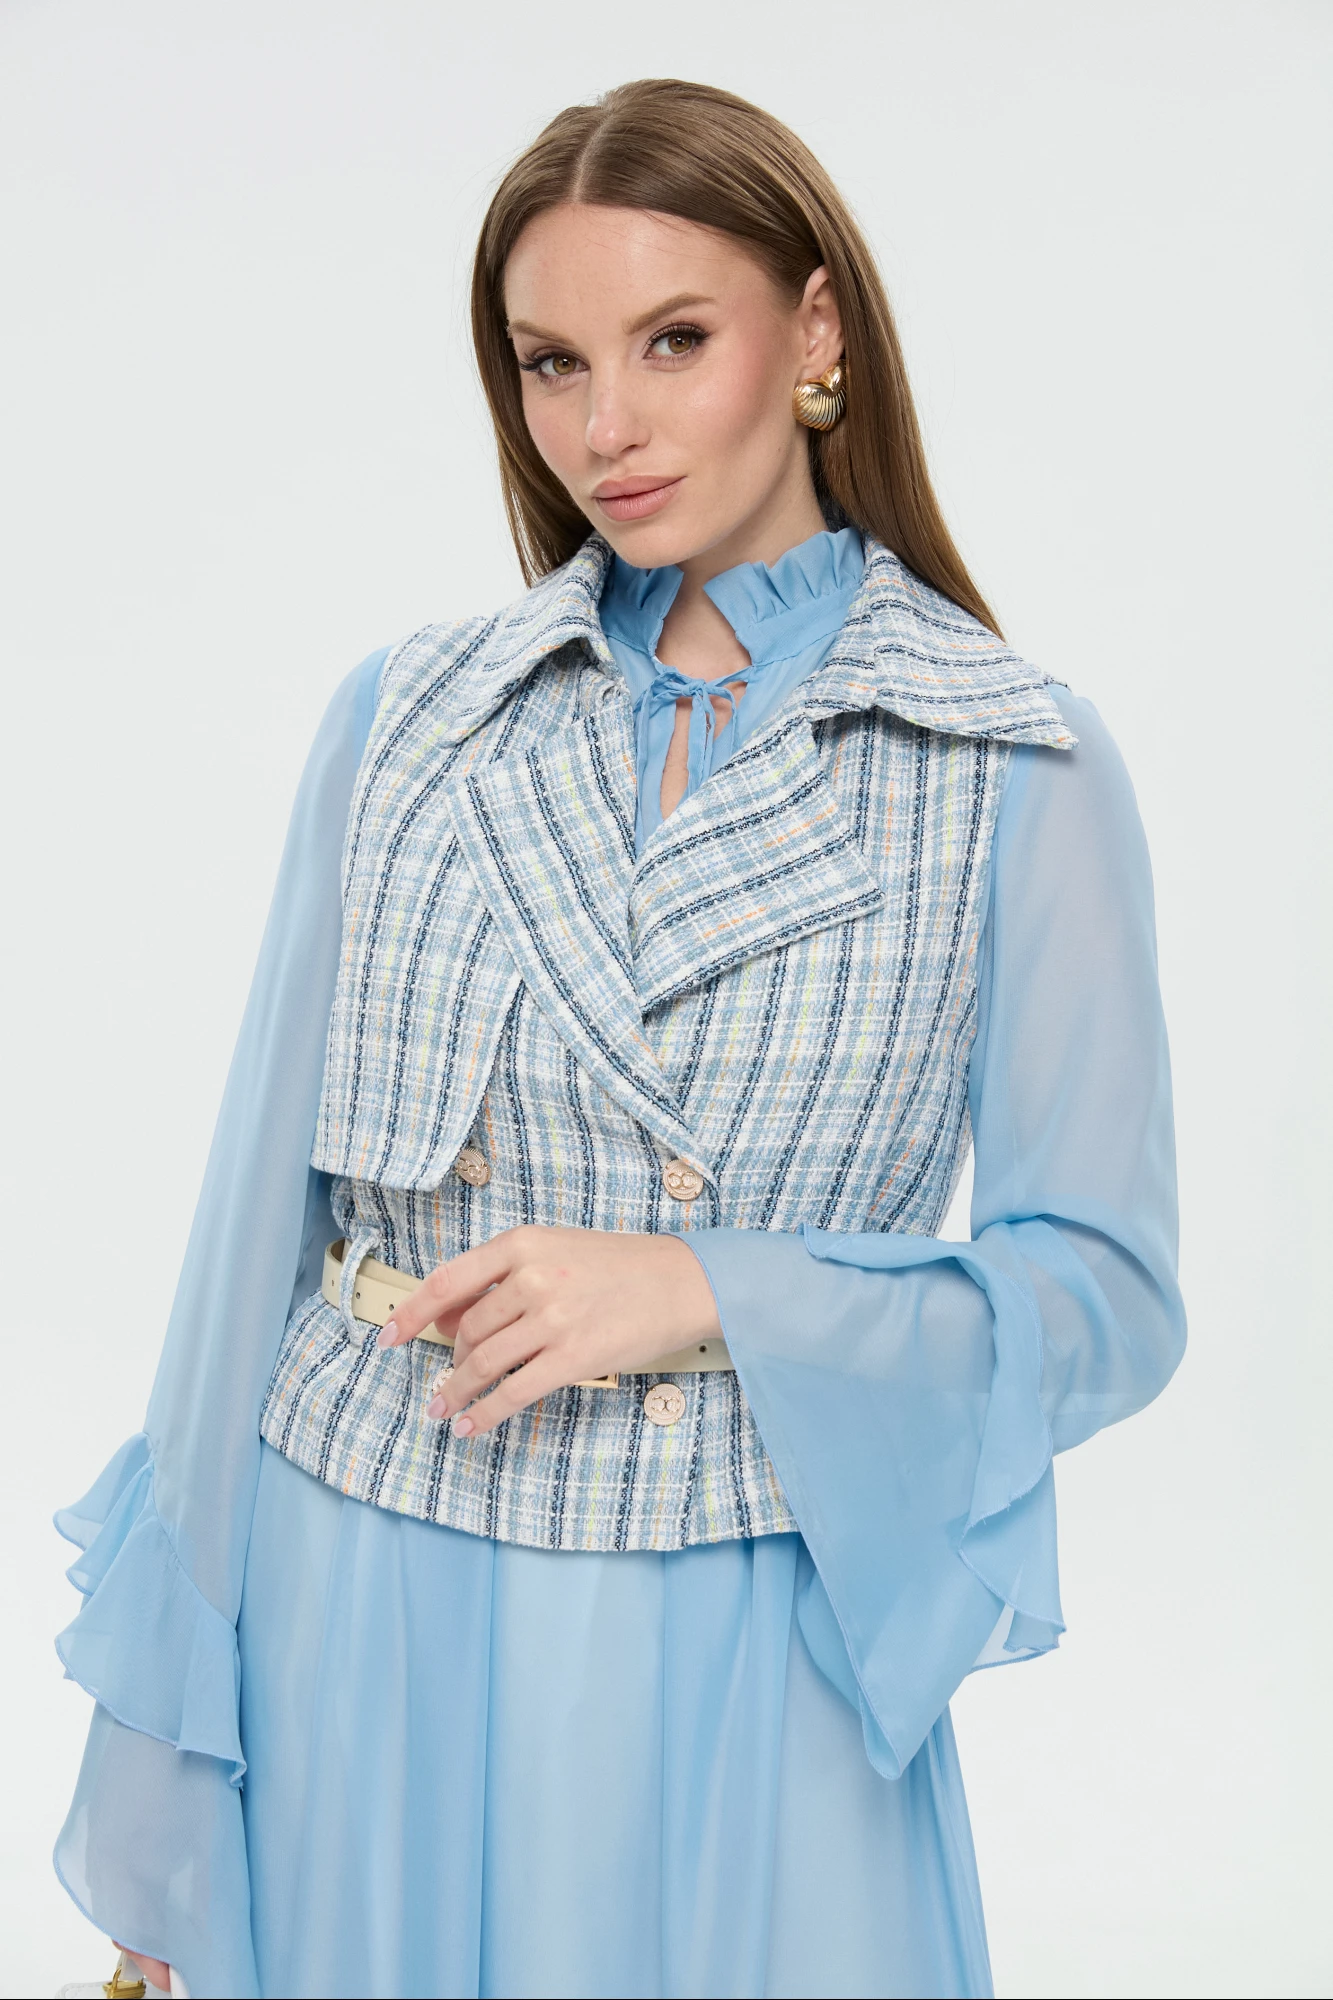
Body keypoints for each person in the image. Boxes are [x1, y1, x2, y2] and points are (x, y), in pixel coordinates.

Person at [54, 77, 1185, 2000]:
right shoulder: (407, 718)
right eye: (552, 363)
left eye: (673, 341)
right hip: (361, 1603)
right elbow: (247, 1255)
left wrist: (703, 1288)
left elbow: (1102, 1303)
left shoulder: (1012, 765)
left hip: (742, 1620)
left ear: (815, 333)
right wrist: (159, 1776)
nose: (605, 429)